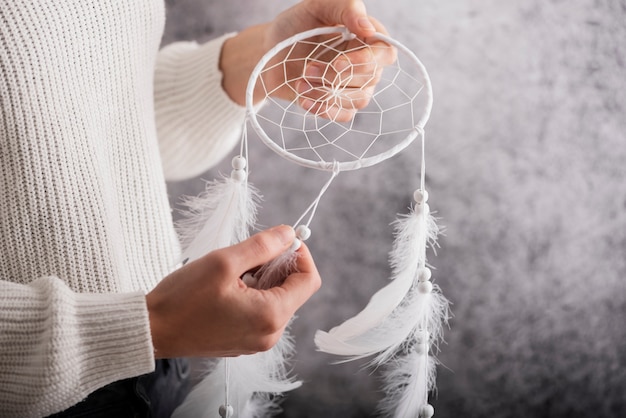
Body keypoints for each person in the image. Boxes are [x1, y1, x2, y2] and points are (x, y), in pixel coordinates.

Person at [0, 0, 392, 416]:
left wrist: (265, 57)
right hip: (38, 386)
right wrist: (147, 325)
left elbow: (86, 118)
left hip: (158, 360)